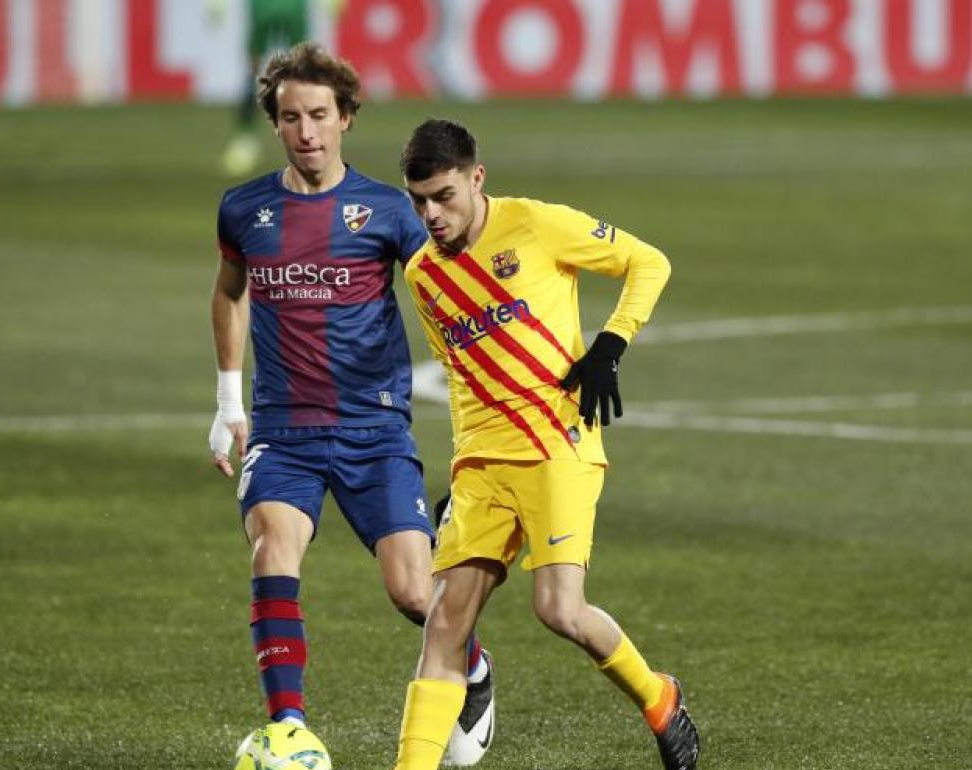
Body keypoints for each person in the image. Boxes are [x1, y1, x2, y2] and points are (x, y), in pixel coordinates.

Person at [208, 45, 495, 764]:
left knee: (410, 591)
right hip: (284, 433)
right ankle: (288, 726)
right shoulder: (245, 209)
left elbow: (450, 290)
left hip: (375, 432)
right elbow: (230, 291)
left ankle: (476, 670)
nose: (305, 132)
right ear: (275, 124)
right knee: (273, 549)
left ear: (346, 120)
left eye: (318, 116)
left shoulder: (391, 212)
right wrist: (225, 400)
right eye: (289, 118)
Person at [389, 118, 700, 770]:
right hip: (483, 462)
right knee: (445, 627)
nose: (431, 214)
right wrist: (462, 472)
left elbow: (649, 261)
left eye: (443, 196)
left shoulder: (535, 224)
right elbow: (463, 376)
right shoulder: (422, 276)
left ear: (477, 178)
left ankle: (659, 696)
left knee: (559, 609)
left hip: (558, 446)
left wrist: (611, 344)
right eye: (418, 201)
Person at [211, 0, 344, 176]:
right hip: (262, 7)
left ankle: (314, 143)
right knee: (256, 70)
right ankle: (245, 140)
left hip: (294, 7)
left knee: (301, 71)